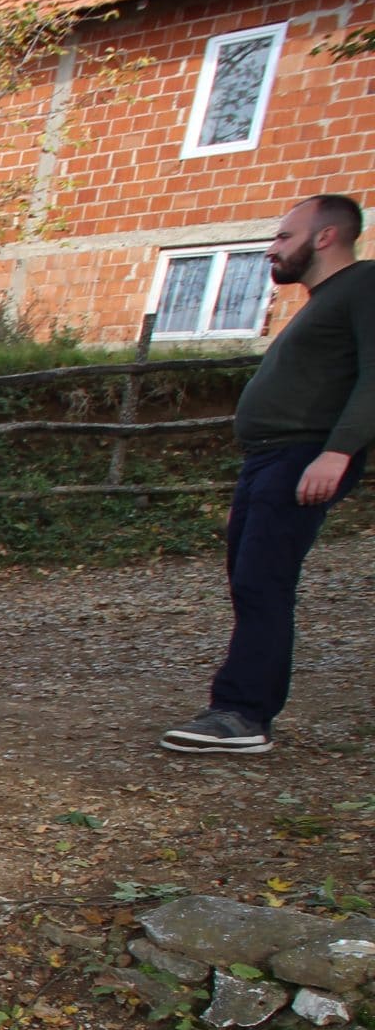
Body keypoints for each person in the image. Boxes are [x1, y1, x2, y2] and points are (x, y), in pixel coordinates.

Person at [162, 194, 372, 755]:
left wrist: (338, 453)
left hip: (303, 456)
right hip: (271, 461)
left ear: (324, 237)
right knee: (251, 581)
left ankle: (243, 714)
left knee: (263, 582)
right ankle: (239, 706)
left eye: (283, 237)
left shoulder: (364, 285)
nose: (272, 248)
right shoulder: (324, 300)